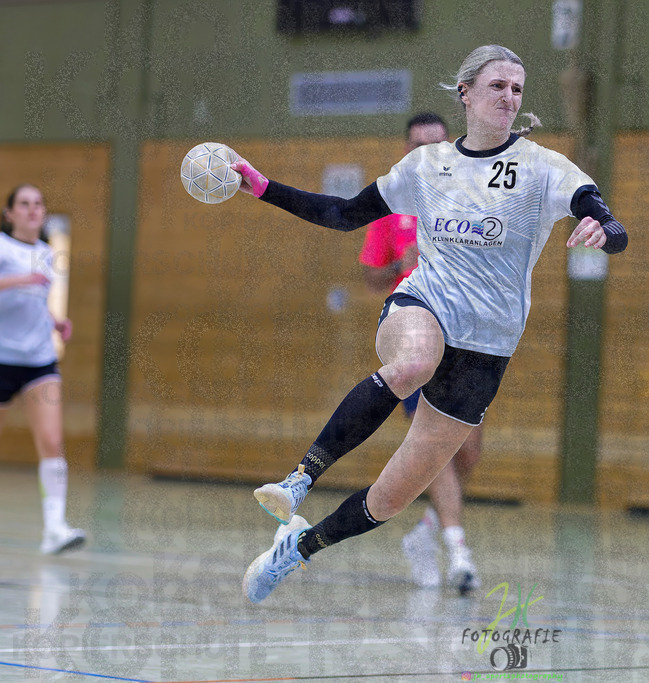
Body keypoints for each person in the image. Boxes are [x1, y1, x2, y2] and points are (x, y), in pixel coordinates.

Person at [234, 44, 628, 604]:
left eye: (517, 89)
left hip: (487, 350)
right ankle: (299, 480)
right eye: (497, 86)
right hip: (422, 306)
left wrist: (602, 230)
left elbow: (606, 216)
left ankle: (295, 550)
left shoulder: (542, 168)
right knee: (414, 363)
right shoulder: (428, 165)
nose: (509, 97)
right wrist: (262, 187)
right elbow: (345, 214)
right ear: (466, 92)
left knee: (390, 499)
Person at [360, 112, 486, 593]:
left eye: (436, 143)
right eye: (418, 144)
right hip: (417, 337)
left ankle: (427, 533)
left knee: (466, 449)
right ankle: (458, 553)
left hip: (468, 336)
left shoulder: (468, 200)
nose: (426, 151)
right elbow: (371, 277)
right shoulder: (392, 207)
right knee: (437, 446)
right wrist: (401, 263)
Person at [0, 184, 86, 555]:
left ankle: (54, 529)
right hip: (2, 358)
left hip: (38, 361)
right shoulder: (3, 248)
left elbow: (34, 300)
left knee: (51, 441)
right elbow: (21, 287)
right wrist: (21, 279)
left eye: (39, 204)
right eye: (24, 204)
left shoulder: (48, 254)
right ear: (10, 214)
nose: (33, 210)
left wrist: (55, 321)